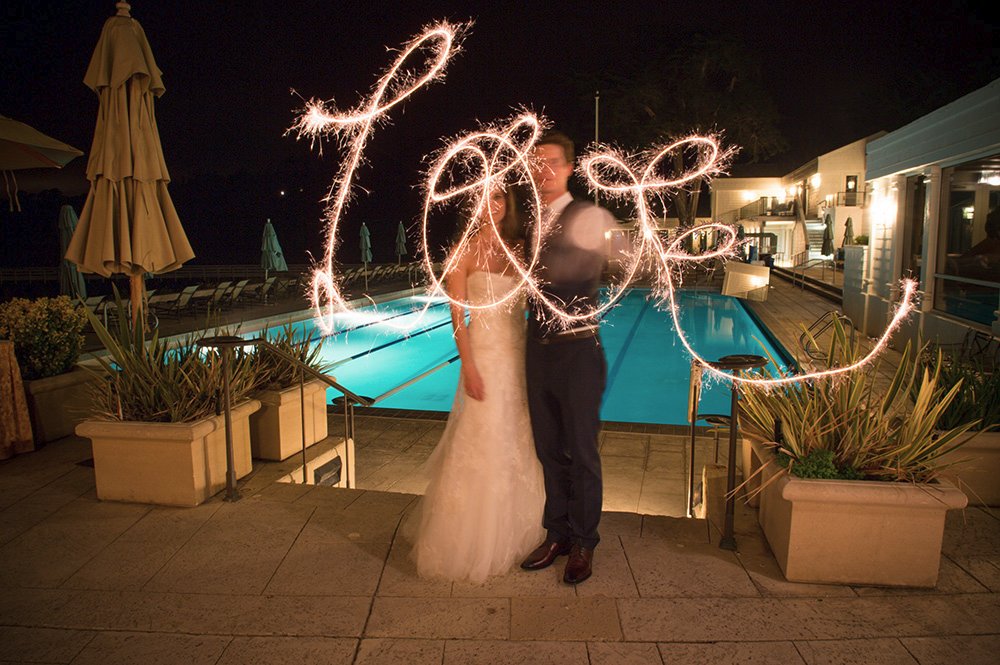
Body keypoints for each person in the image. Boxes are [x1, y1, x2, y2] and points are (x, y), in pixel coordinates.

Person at [408, 188, 545, 583]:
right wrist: (468, 366)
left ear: (509, 204)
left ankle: (525, 530)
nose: (493, 204)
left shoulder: (521, 249)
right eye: (486, 197)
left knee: (520, 440)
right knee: (483, 440)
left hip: (521, 358)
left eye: (500, 197)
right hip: (486, 358)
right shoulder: (462, 252)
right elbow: (457, 318)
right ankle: (475, 537)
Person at [520, 130, 616, 584]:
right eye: (536, 162)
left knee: (581, 452)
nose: (544, 170)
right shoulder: (530, 222)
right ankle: (556, 534)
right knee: (548, 451)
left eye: (552, 162)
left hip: (577, 351)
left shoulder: (588, 215)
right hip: (537, 352)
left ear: (569, 168)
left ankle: (584, 542)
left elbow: (602, 266)